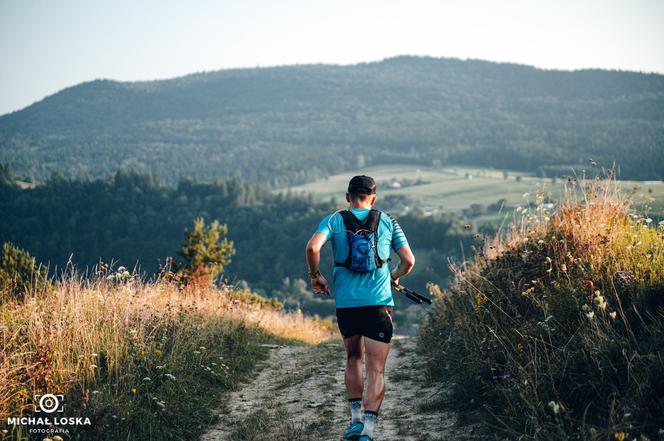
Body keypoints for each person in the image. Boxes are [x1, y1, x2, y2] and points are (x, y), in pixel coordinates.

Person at [305, 175, 415, 441]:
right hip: (379, 305)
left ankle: (354, 420)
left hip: (347, 305)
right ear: (373, 198)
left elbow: (312, 247)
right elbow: (409, 260)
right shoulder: (388, 220)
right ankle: (368, 431)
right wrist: (394, 277)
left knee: (353, 358)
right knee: (376, 369)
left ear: (347, 197)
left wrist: (315, 275)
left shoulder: (334, 220)